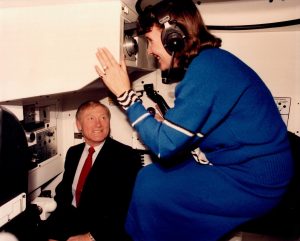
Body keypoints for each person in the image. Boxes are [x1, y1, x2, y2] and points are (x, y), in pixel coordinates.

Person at [94, 1, 294, 240]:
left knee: (150, 185)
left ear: (173, 36)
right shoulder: (210, 63)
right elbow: (198, 129)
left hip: (256, 179)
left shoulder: (207, 67)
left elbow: (164, 145)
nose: (149, 51)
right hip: (251, 169)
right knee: (159, 179)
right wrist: (165, 126)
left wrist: (125, 96)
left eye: (150, 41)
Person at [42, 100, 142, 241]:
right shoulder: (73, 153)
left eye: (103, 118)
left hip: (105, 230)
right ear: (79, 125)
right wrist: (53, 230)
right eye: (91, 118)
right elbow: (64, 194)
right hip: (71, 220)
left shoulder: (126, 156)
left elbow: (125, 207)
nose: (98, 124)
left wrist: (90, 237)